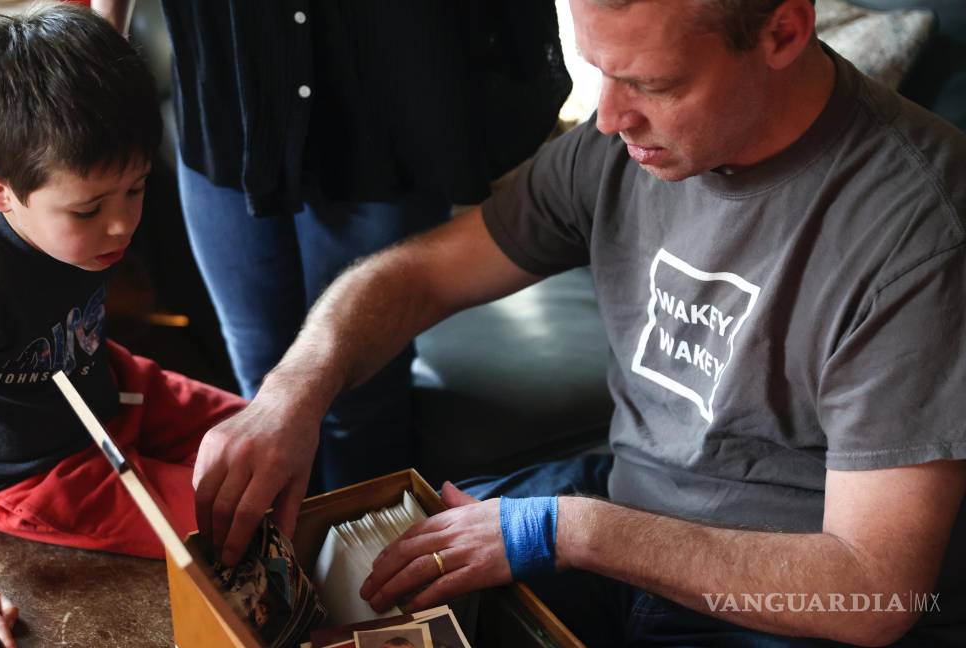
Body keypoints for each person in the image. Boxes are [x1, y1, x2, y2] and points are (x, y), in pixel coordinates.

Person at [188, 0, 966, 644]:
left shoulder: (918, 230)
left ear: (784, 33)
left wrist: (568, 532)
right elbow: (421, 273)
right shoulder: (625, 144)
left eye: (648, 82)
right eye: (598, 71)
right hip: (616, 511)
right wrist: (295, 389)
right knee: (338, 605)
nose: (608, 117)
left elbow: (873, 591)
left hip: (781, 603)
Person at [0, 6, 244, 648]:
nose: (121, 225)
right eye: (89, 208)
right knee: (234, 524)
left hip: (105, 382)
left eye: (136, 190)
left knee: (259, 446)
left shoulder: (86, 196)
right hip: (35, 470)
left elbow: (106, 31)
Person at [93, 0, 571, 491]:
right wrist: (103, 36)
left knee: (361, 390)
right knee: (259, 378)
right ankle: (280, 557)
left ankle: (362, 557)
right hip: (231, 80)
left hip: (378, 97)